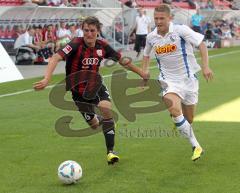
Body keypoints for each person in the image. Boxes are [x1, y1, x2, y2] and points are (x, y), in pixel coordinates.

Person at [33, 16, 149, 165]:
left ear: (98, 31)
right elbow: (55, 57)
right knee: (95, 125)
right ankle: (107, 122)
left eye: (92, 30)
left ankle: (110, 152)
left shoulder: (103, 46)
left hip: (96, 85)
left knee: (106, 108)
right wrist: (46, 78)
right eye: (86, 30)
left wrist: (141, 73)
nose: (89, 34)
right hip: (78, 92)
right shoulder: (75, 44)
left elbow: (123, 61)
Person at [142, 4, 213, 161]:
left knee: (189, 119)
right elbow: (146, 55)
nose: (158, 22)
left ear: (170, 18)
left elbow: (201, 44)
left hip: (189, 81)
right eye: (156, 18)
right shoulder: (151, 37)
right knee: (173, 107)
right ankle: (196, 146)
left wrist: (206, 66)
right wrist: (145, 71)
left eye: (162, 18)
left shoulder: (180, 30)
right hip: (168, 81)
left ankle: (177, 118)